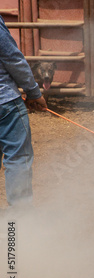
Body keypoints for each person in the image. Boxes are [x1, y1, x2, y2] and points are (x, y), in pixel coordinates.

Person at [0, 15, 47, 207]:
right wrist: (33, 92)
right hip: (4, 101)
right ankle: (18, 224)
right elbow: (12, 58)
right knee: (18, 158)